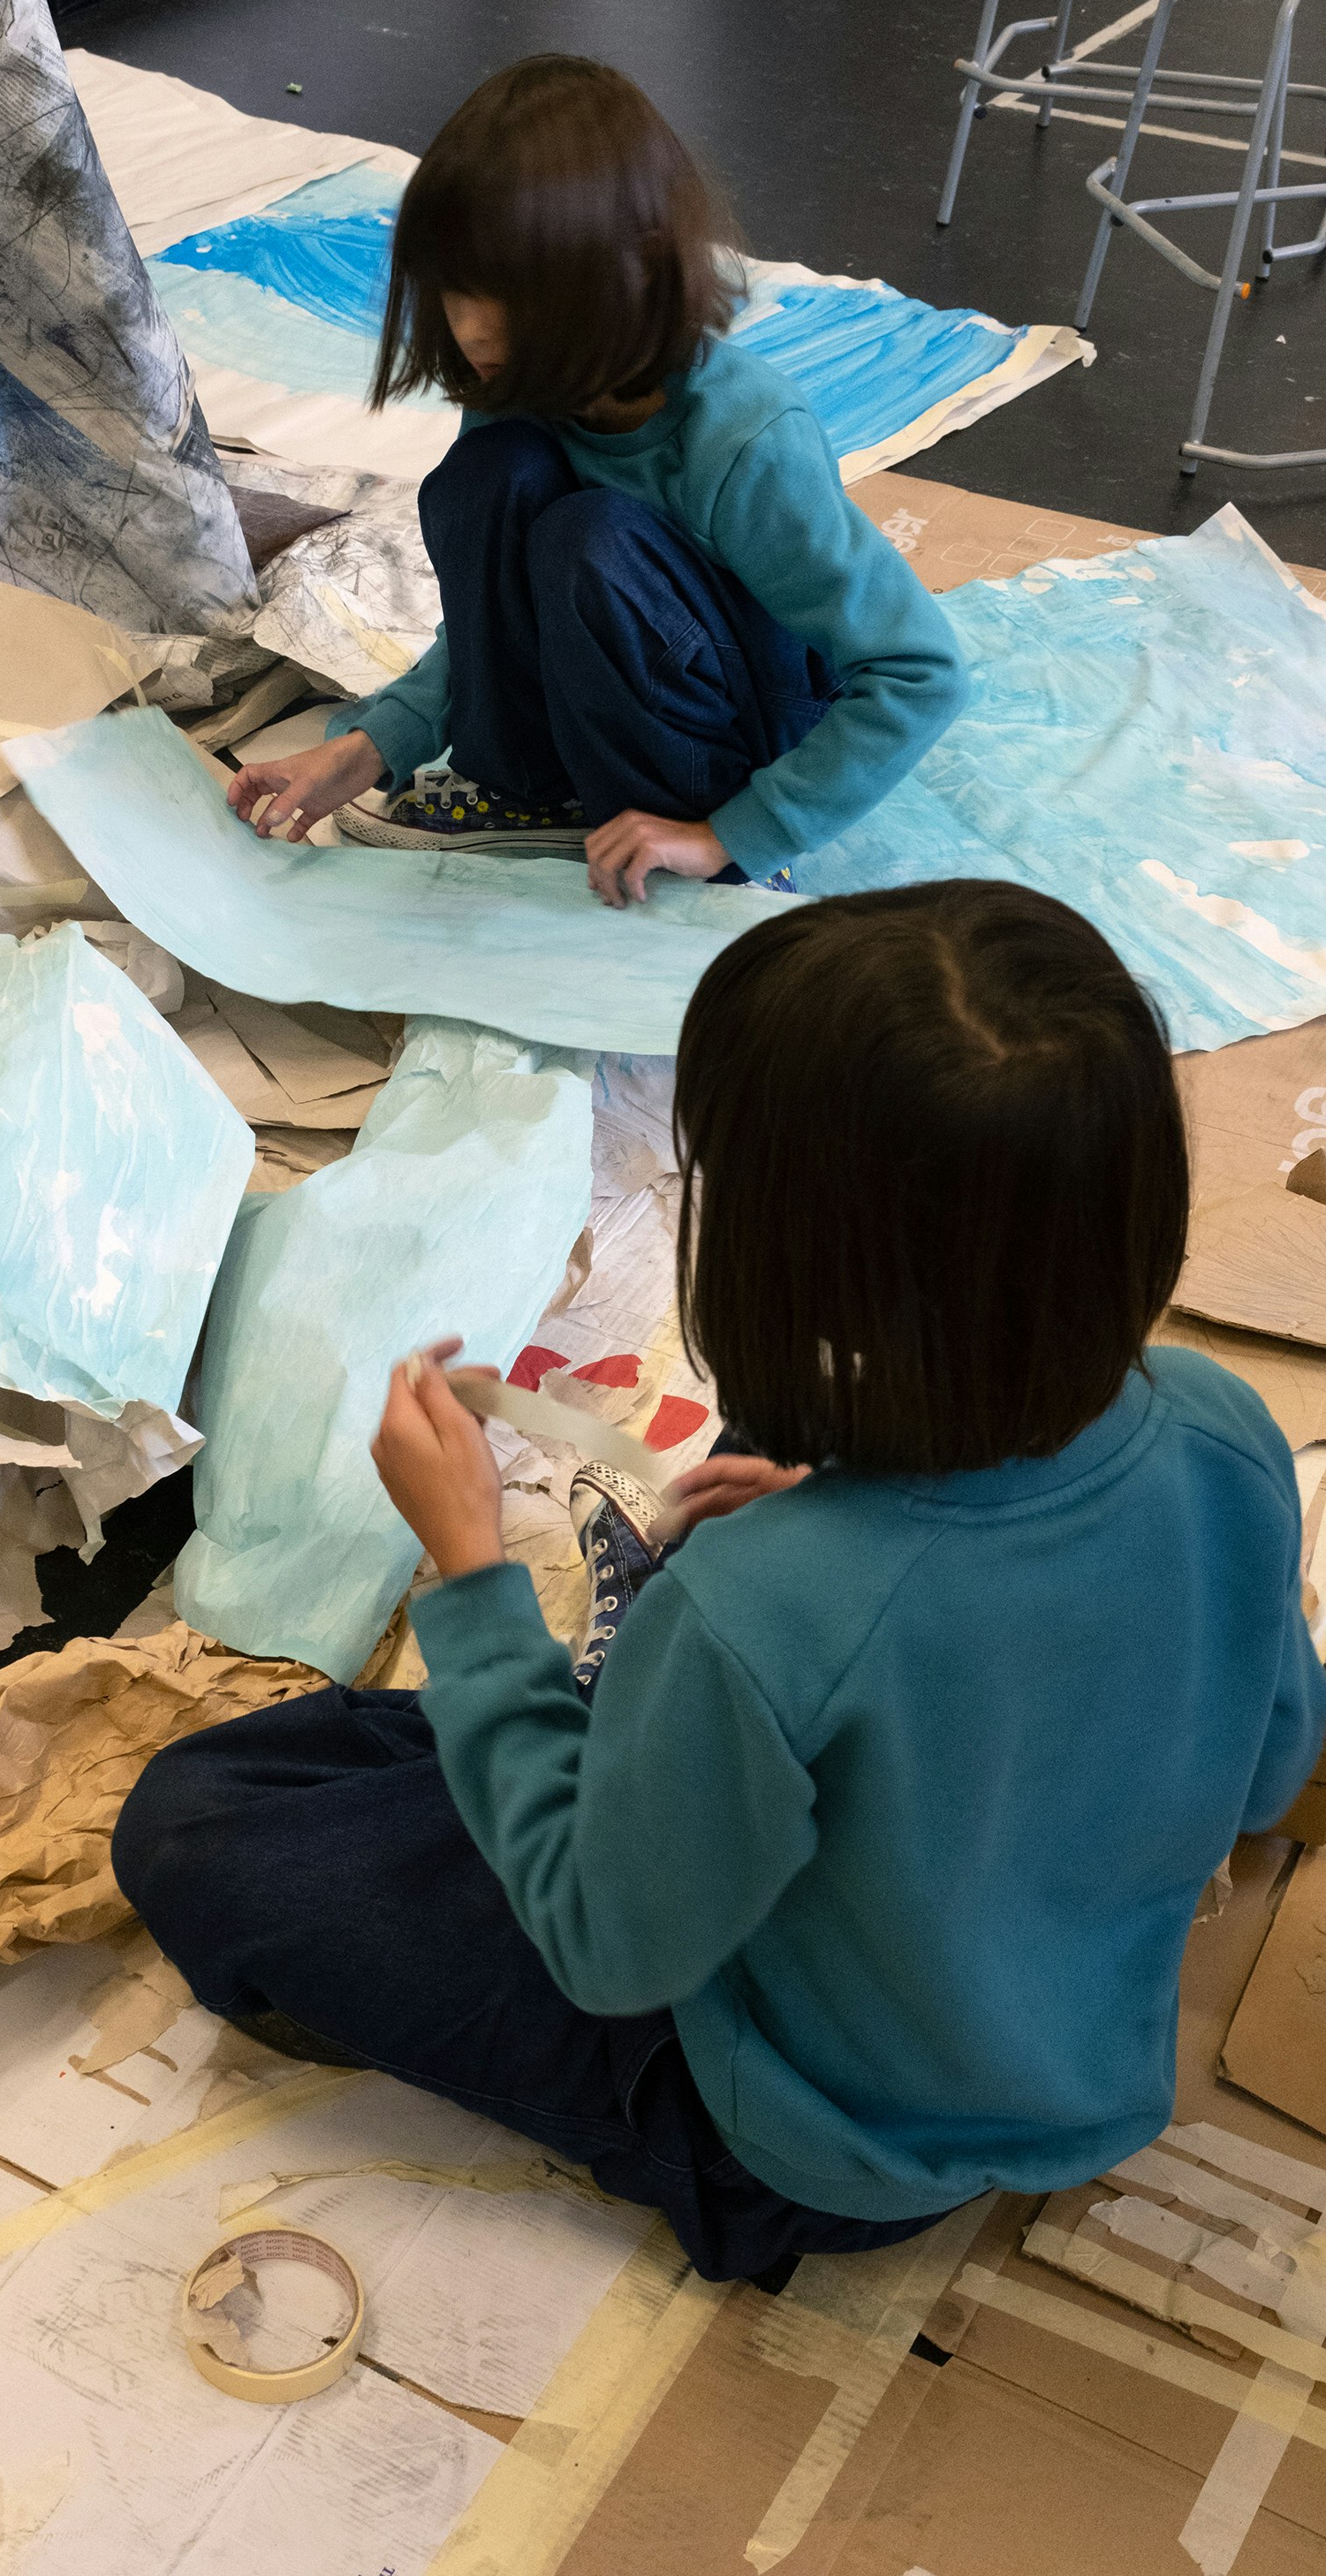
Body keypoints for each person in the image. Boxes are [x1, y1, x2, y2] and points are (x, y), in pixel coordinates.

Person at [111, 881, 1326, 2285]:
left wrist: (469, 1570)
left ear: (785, 1267)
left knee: (201, 1823)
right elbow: (1265, 1765)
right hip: (1067, 2053)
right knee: (386, 1761)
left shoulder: (762, 1609)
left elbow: (605, 1948)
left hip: (812, 2144)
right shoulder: (1223, 1426)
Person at [226, 56, 967, 909]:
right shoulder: (517, 391)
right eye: (456, 292)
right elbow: (488, 626)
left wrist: (730, 833)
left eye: (504, 295)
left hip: (734, 747)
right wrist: (365, 750)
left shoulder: (745, 437)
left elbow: (920, 672)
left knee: (593, 540)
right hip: (617, 684)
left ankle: (679, 823)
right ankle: (529, 791)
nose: (468, 329)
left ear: (628, 273)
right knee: (492, 476)